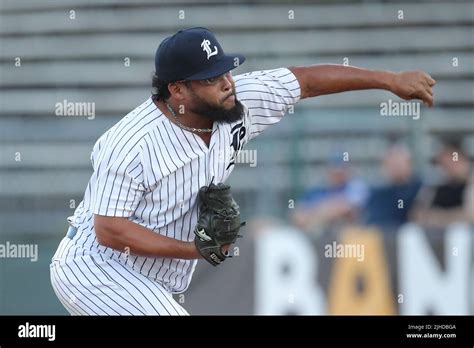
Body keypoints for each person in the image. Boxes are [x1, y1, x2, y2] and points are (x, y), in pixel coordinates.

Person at [50, 27, 436, 315]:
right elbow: (109, 230)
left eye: (226, 70)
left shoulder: (236, 101)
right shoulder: (132, 144)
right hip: (96, 267)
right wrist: (194, 250)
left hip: (152, 277)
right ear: (178, 91)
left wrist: (388, 80)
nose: (227, 83)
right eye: (211, 78)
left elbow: (304, 81)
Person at [291, 154, 368, 233]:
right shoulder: (318, 190)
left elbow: (346, 208)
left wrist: (317, 213)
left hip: (349, 237)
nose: (337, 173)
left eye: (342, 169)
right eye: (334, 170)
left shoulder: (356, 186)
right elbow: (298, 216)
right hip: (319, 237)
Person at [411, 138, 474, 229]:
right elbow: (417, 214)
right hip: (436, 231)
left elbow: (470, 215)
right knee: (410, 230)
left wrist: (440, 217)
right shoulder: (435, 183)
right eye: (443, 160)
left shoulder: (470, 180)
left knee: (459, 231)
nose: (447, 164)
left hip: (464, 232)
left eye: (451, 158)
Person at [364, 143, 422, 229]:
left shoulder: (420, 189)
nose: (395, 167)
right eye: (391, 163)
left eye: (399, 163)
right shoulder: (378, 194)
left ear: (409, 163)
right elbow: (372, 222)